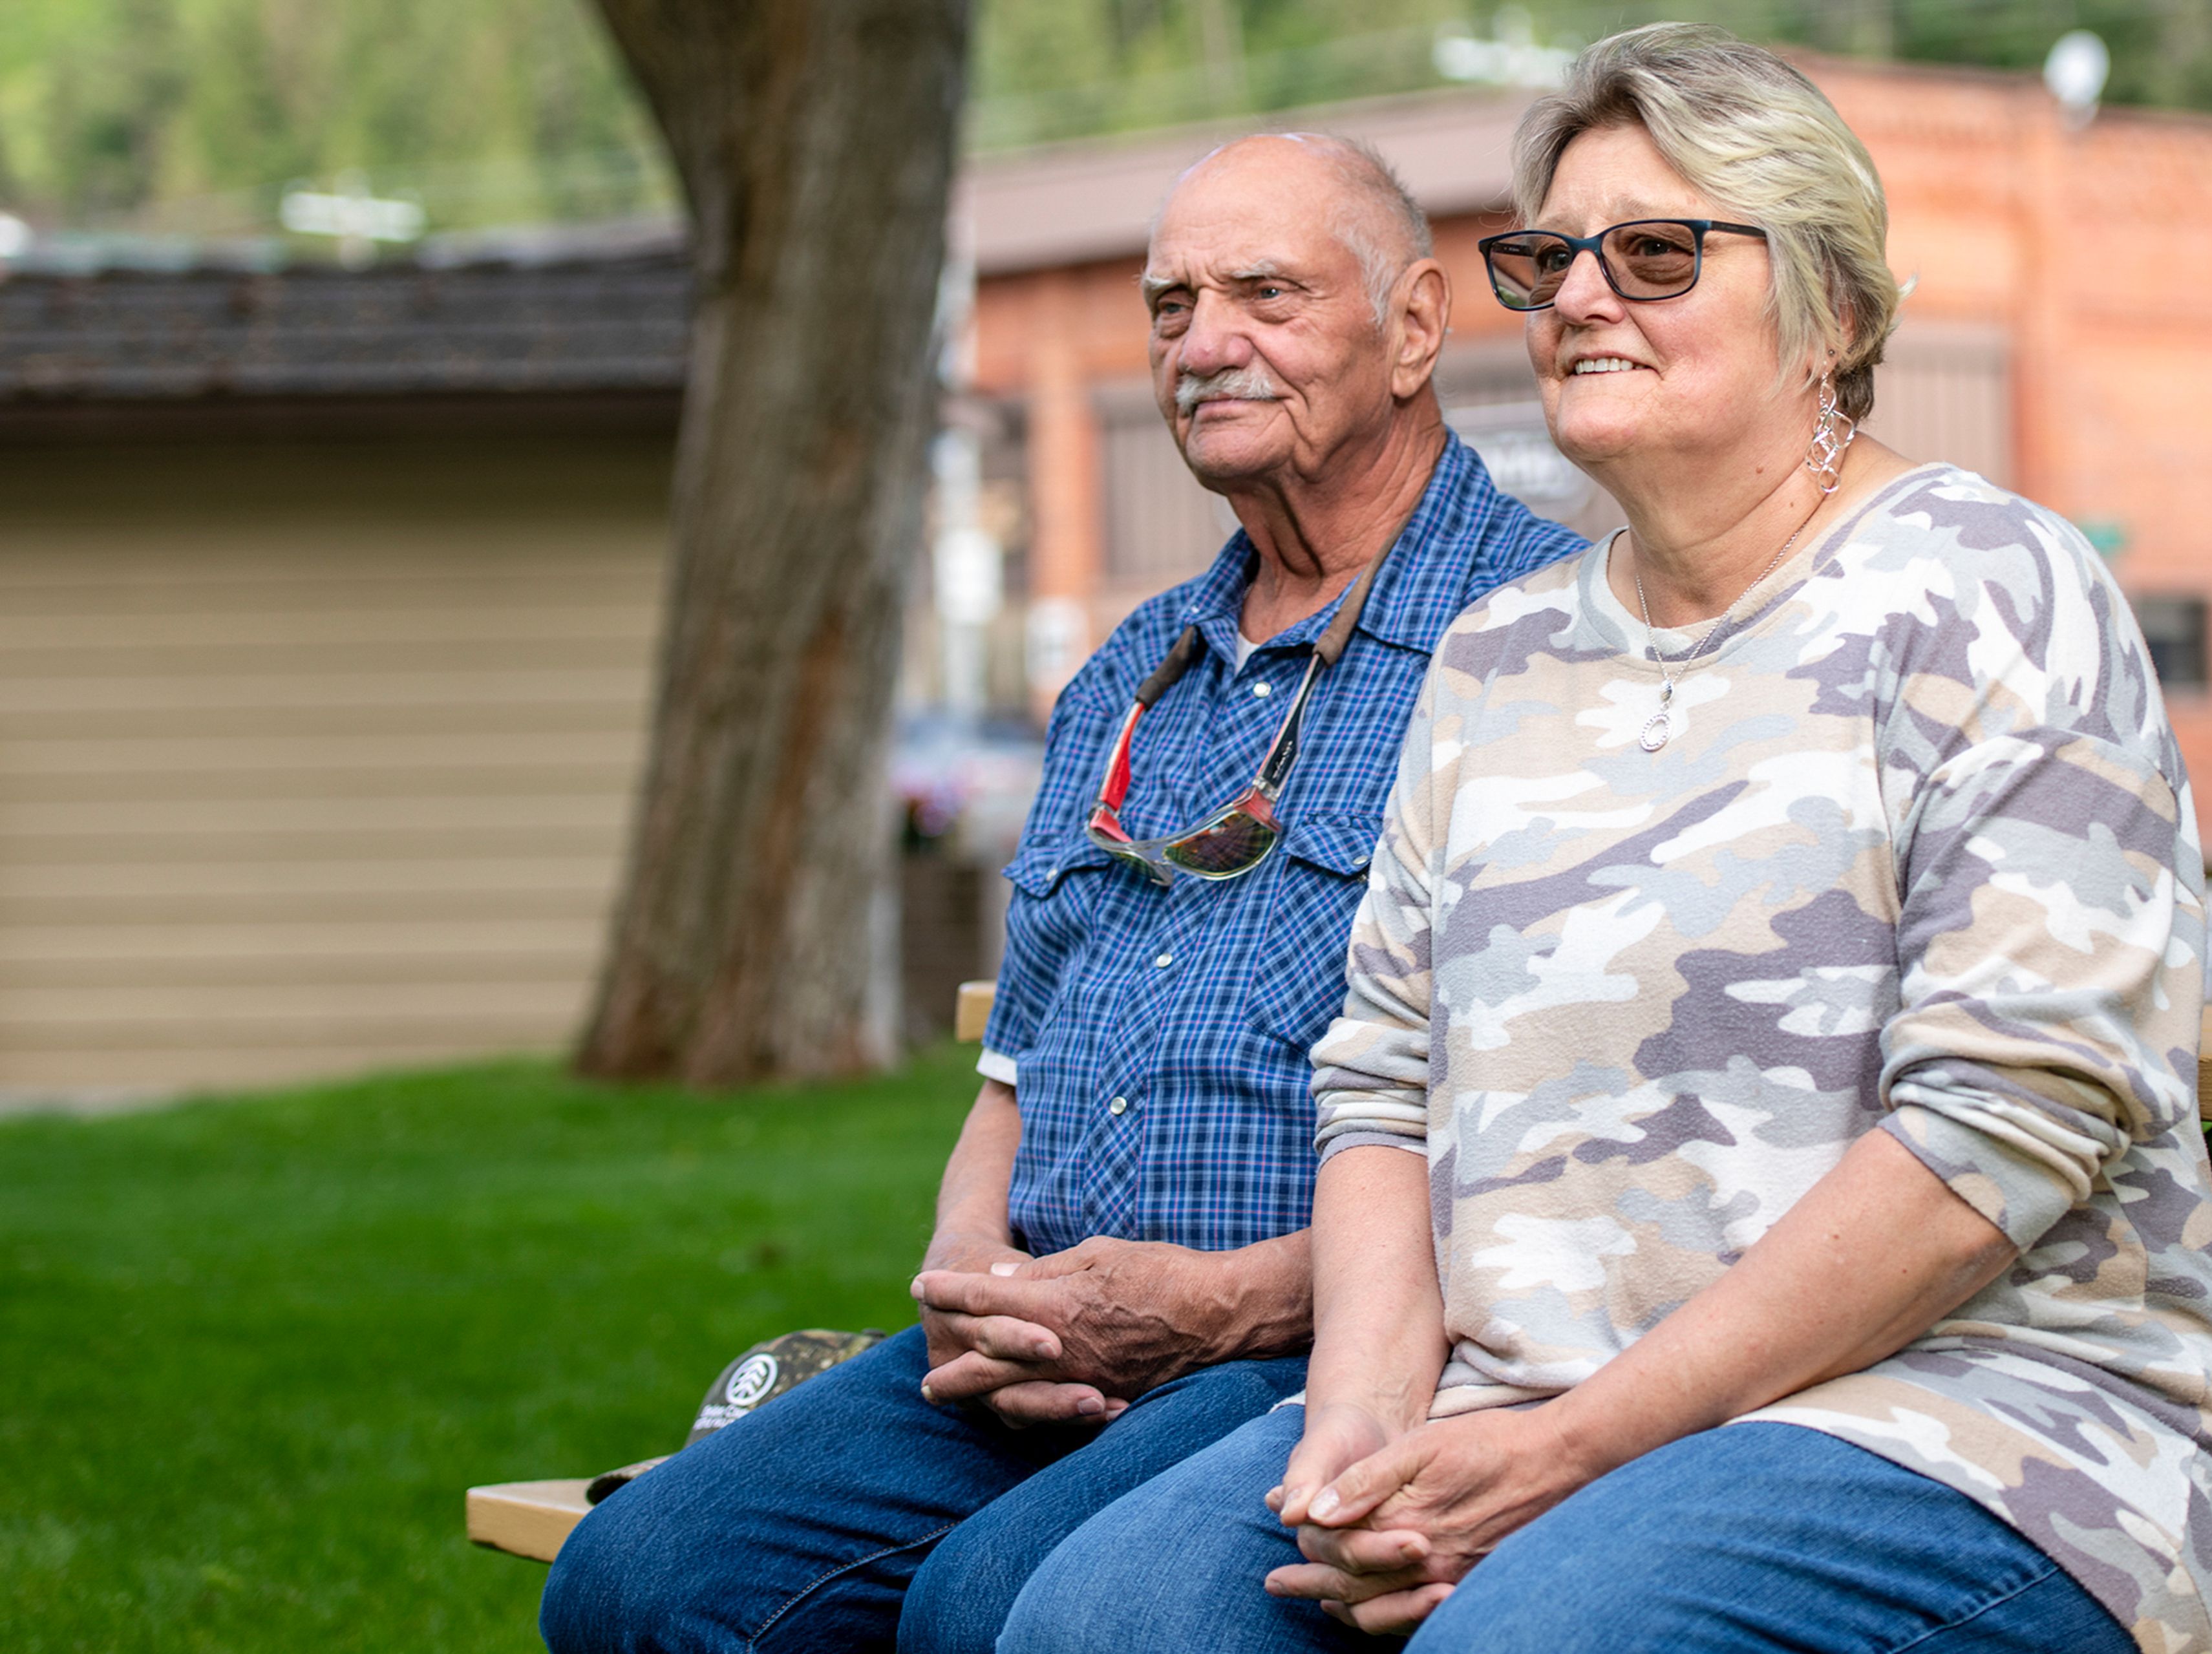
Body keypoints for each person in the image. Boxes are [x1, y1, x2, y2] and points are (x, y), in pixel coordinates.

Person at [999, 25, 2212, 1654]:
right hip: (1520, 1407)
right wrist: (1355, 1438)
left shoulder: (1989, 589)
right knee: (1094, 1623)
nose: (1582, 298)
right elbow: (1385, 1088)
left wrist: (1572, 1454)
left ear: (1837, 310)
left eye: (1658, 253)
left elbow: (2000, 1130)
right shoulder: (1497, 655)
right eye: (1551, 260)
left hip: (1979, 1428)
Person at [537, 134, 1584, 1654]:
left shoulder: (1544, 644)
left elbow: (1553, 1152)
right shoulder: (1132, 673)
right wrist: (971, 1274)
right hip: (1034, 1348)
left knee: (992, 1610)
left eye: (1265, 294)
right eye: (1171, 307)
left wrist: (1221, 1302)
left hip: (1313, 1347)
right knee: (639, 1583)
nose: (1204, 344)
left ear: (1415, 326)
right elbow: (1012, 1063)